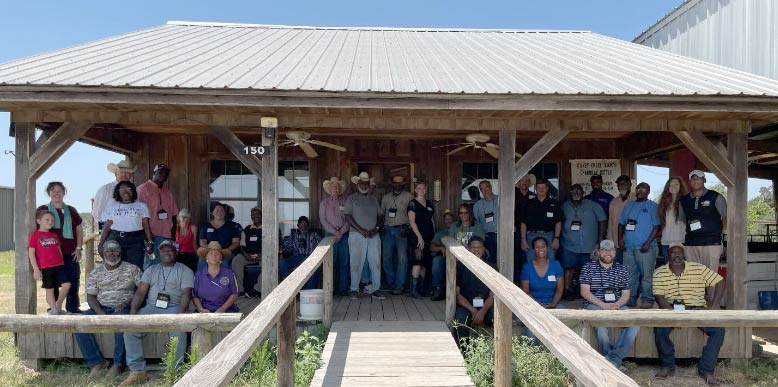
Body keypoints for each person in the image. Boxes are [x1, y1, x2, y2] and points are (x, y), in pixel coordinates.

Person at [121, 241, 193, 386]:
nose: (166, 253)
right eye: (163, 251)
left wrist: (180, 314)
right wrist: (133, 313)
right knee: (130, 330)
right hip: (151, 307)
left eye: (170, 250)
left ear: (176, 252)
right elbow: (141, 292)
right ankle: (137, 371)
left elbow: (186, 294)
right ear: (159, 254)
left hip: (174, 307)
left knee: (179, 332)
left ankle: (175, 371)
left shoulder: (185, 270)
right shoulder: (151, 270)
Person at [652, 243, 725, 386]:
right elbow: (660, 298)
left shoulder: (698, 268)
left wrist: (713, 305)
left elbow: (720, 281)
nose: (677, 256)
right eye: (673, 253)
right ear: (668, 254)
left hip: (697, 308)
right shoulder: (659, 272)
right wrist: (674, 317)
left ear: (684, 255)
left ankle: (706, 370)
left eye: (679, 253)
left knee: (719, 330)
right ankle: (667, 366)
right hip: (671, 308)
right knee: (659, 328)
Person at [75, 240, 142, 379]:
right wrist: (100, 313)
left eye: (115, 251)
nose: (112, 254)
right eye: (108, 251)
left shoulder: (132, 269)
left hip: (123, 307)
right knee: (79, 322)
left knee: (121, 324)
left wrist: (129, 304)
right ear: (103, 253)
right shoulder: (96, 272)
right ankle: (96, 362)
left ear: (120, 252)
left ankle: (118, 364)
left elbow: (142, 291)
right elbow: (91, 297)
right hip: (101, 307)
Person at [579, 239, 639, 371]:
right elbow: (585, 292)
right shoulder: (588, 267)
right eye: (604, 250)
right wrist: (603, 305)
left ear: (615, 252)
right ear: (599, 252)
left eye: (611, 250)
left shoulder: (622, 269)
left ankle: (612, 359)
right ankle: (612, 360)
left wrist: (616, 305)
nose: (608, 253)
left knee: (635, 322)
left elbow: (625, 294)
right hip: (594, 304)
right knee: (601, 326)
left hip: (617, 305)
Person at [37, 181, 84, 313]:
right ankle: (54, 308)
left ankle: (73, 307)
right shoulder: (42, 210)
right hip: (50, 254)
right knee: (53, 282)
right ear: (49, 193)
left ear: (64, 193)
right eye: (53, 190)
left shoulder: (72, 210)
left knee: (73, 278)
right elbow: (37, 232)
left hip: (70, 252)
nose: (56, 193)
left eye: (59, 190)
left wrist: (79, 248)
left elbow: (79, 229)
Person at [619, 182, 661, 308]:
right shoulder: (629, 205)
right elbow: (621, 224)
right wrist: (620, 240)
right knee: (630, 274)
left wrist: (648, 243)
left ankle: (647, 299)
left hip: (646, 248)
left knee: (646, 276)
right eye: (638, 188)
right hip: (629, 247)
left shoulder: (653, 206)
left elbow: (657, 226)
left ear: (648, 191)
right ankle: (630, 299)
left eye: (644, 189)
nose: (640, 191)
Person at [560, 184, 606, 300]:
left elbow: (602, 220)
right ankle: (567, 290)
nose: (576, 192)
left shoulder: (593, 205)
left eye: (578, 190)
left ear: (583, 192)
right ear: (570, 192)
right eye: (574, 190)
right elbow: (558, 222)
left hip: (588, 244)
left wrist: (600, 240)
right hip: (569, 244)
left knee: (588, 269)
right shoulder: (564, 206)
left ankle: (587, 293)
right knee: (568, 268)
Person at [345, 172, 385, 300]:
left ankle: (375, 288)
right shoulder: (351, 198)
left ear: (369, 184)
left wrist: (377, 228)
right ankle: (354, 289)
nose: (364, 185)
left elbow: (380, 215)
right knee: (356, 263)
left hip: (374, 235)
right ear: (358, 184)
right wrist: (361, 230)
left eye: (366, 183)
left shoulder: (373, 199)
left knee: (376, 262)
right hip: (356, 234)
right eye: (362, 183)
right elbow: (347, 216)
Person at [98, 181, 153, 270]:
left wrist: (150, 242)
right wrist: (100, 244)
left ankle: (133, 285)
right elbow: (107, 227)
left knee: (135, 269)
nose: (125, 192)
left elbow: (146, 226)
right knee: (115, 268)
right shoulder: (113, 207)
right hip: (115, 240)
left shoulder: (141, 206)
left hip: (135, 240)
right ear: (118, 192)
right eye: (122, 189)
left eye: (128, 189)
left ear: (133, 191)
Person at [680, 170, 727, 273]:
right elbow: (683, 220)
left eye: (699, 178)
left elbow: (726, 217)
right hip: (691, 243)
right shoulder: (684, 200)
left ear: (704, 180)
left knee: (710, 276)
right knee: (693, 276)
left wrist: (721, 235)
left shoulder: (715, 196)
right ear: (689, 181)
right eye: (693, 178)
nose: (696, 180)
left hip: (712, 243)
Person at [453, 236, 495, 344]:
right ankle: (465, 353)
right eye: (473, 247)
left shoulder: (491, 267)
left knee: (497, 318)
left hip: (486, 306)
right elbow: (457, 295)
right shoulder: (460, 266)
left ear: (483, 249)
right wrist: (474, 311)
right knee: (460, 321)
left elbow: (493, 295)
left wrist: (483, 311)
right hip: (467, 305)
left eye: (479, 247)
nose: (476, 250)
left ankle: (491, 352)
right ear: (468, 249)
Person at [28, 210, 71, 315]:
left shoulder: (54, 235)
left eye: (52, 220)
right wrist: (36, 269)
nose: (50, 222)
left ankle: (58, 304)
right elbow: (31, 253)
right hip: (46, 267)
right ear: (38, 221)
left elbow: (59, 250)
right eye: (47, 219)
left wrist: (61, 261)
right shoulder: (34, 235)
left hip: (59, 266)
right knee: (50, 289)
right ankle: (55, 311)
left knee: (67, 285)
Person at [137, 163, 178, 267]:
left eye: (166, 173)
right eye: (160, 172)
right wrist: (147, 237)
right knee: (151, 266)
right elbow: (139, 215)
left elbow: (174, 215)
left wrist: (173, 235)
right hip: (151, 237)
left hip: (167, 237)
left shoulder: (168, 193)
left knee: (166, 266)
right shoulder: (142, 189)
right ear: (154, 173)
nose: (163, 174)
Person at [380, 175, 413, 294]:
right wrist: (380, 227)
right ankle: (391, 283)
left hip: (402, 229)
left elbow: (413, 214)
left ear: (403, 184)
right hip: (387, 229)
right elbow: (381, 214)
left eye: (400, 184)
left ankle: (400, 285)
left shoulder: (409, 196)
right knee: (386, 258)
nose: (398, 185)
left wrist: (409, 229)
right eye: (395, 183)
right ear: (392, 184)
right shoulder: (386, 198)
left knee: (402, 258)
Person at [319, 177, 351, 296]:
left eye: (337, 187)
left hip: (344, 234)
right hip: (329, 235)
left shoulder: (345, 201)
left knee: (344, 261)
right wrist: (334, 231)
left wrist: (341, 231)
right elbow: (323, 219)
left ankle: (342, 289)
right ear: (329, 189)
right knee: (331, 262)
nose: (335, 189)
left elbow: (348, 218)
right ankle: (330, 289)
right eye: (333, 187)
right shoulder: (324, 203)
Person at [521, 179, 562, 262]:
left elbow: (558, 222)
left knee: (550, 260)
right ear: (536, 189)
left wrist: (556, 238)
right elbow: (523, 223)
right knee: (531, 261)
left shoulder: (554, 203)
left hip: (549, 236)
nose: (541, 190)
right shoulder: (529, 203)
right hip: (531, 236)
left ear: (547, 189)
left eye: (543, 187)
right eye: (539, 188)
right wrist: (523, 240)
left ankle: (549, 275)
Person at [408, 181, 435, 298]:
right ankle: (413, 290)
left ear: (426, 190)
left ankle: (421, 289)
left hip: (428, 237)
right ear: (415, 190)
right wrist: (419, 236)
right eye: (418, 188)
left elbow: (431, 219)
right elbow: (412, 221)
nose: (421, 190)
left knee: (425, 262)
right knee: (418, 261)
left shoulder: (428, 203)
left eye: (423, 188)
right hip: (417, 237)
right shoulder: (412, 203)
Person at [193, 243, 239, 313]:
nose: (214, 256)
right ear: (206, 257)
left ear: (221, 257)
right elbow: (194, 295)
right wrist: (200, 309)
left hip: (227, 310)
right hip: (205, 310)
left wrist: (222, 309)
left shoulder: (229, 273)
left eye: (217, 254)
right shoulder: (199, 274)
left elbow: (235, 293)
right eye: (211, 253)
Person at [279, 216, 323, 290]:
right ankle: (287, 287)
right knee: (282, 262)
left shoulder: (314, 235)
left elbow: (321, 246)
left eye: (305, 224)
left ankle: (308, 292)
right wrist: (283, 248)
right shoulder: (293, 235)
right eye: (302, 225)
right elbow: (287, 247)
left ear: (308, 225)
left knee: (315, 266)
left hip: (310, 258)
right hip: (296, 257)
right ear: (298, 225)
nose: (304, 226)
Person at [520, 237, 564, 309]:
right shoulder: (527, 267)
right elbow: (526, 292)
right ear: (533, 250)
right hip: (533, 305)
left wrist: (553, 304)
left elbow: (559, 290)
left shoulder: (556, 265)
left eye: (543, 246)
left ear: (547, 248)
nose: (540, 249)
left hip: (553, 304)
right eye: (537, 247)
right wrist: (539, 306)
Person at [231, 207, 263, 298]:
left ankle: (257, 290)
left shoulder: (270, 228)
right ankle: (239, 290)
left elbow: (275, 244)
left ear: (262, 216)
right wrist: (246, 255)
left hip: (264, 256)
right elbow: (242, 245)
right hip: (249, 255)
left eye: (257, 214)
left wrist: (263, 254)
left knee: (268, 263)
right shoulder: (247, 229)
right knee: (236, 261)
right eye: (253, 214)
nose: (255, 216)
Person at [93, 160, 135, 229]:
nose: (124, 175)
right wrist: (105, 227)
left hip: (130, 230)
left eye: (127, 172)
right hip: (109, 230)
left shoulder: (135, 192)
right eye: (121, 172)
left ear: (131, 175)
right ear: (115, 174)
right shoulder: (105, 190)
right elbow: (96, 213)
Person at [198, 202, 241, 268]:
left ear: (225, 213)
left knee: (223, 263)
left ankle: (223, 278)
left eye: (222, 211)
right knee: (202, 262)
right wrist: (210, 249)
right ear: (212, 213)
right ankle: (201, 278)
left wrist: (226, 250)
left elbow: (236, 242)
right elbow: (202, 241)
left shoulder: (232, 226)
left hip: (226, 253)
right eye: (217, 210)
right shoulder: (205, 226)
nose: (219, 212)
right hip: (210, 252)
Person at [657, 177, 688, 265]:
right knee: (668, 269)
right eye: (670, 185)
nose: (673, 187)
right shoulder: (663, 203)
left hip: (681, 241)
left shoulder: (686, 201)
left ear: (680, 186)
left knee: (681, 269)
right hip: (666, 241)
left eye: (676, 184)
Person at [608, 175, 636, 264]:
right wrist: (610, 241)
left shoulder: (636, 199)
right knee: (618, 267)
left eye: (625, 184)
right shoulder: (613, 202)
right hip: (616, 243)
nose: (622, 186)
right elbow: (610, 223)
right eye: (620, 184)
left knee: (633, 270)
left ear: (630, 185)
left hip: (633, 242)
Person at [430, 210, 456, 301]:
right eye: (446, 219)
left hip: (459, 259)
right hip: (445, 258)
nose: (448, 221)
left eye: (450, 219)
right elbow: (431, 247)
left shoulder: (459, 230)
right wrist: (440, 248)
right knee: (436, 261)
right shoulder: (440, 233)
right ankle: (438, 290)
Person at [514, 173, 536, 281]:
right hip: (514, 231)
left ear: (529, 183)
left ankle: (528, 281)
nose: (524, 182)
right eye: (521, 180)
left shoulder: (534, 196)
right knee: (516, 257)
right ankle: (516, 282)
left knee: (529, 257)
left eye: (526, 180)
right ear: (518, 182)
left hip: (530, 231)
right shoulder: (512, 195)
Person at [473, 180, 499, 263]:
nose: (485, 190)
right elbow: (476, 223)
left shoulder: (501, 200)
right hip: (487, 236)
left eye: (487, 187)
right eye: (482, 189)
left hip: (503, 235)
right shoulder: (477, 205)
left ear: (491, 187)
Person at [174, 209, 199, 274]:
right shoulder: (175, 228)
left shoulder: (193, 228)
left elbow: (194, 243)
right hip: (178, 255)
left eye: (188, 218)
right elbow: (173, 243)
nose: (186, 220)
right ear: (179, 218)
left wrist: (197, 256)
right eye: (183, 217)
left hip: (190, 255)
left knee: (190, 273)